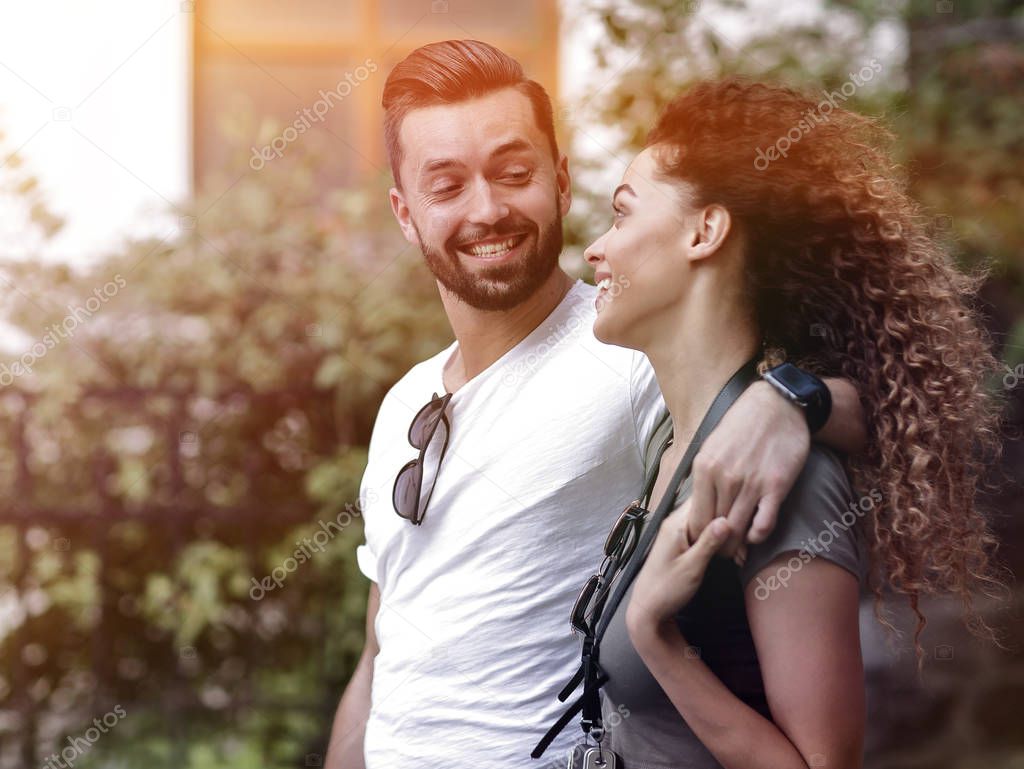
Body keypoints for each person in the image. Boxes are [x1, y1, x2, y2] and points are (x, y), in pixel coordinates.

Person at [324, 42, 867, 769]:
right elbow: (380, 654)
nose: (487, 208)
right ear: (405, 212)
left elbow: (889, 419)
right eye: (446, 185)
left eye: (513, 174)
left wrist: (789, 401)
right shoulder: (401, 405)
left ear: (560, 180)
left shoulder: (631, 344)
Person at [559, 78, 1005, 769]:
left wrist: (656, 638)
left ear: (705, 232)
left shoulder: (783, 477)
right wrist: (791, 395)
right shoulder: (672, 442)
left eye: (621, 214)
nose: (596, 248)